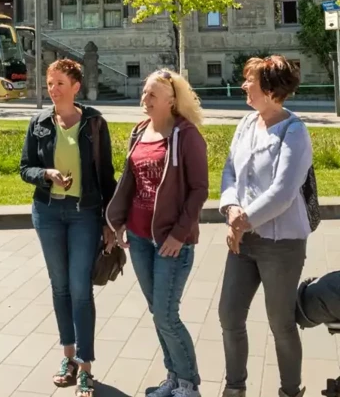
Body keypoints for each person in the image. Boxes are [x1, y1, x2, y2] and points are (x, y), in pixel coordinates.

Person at [106, 69, 210, 397]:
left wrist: (180, 234)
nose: (144, 99)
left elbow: (199, 190)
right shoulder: (139, 131)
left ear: (171, 99)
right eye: (144, 92)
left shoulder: (186, 134)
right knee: (157, 312)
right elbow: (129, 182)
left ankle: (188, 384)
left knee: (166, 314)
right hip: (138, 238)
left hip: (171, 242)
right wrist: (117, 223)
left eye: (152, 94)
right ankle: (173, 377)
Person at [19, 58, 118, 395]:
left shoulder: (94, 123)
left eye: (60, 82)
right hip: (47, 213)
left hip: (83, 215)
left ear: (76, 86)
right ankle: (68, 357)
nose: (53, 89)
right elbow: (25, 168)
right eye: (50, 82)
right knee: (59, 286)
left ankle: (87, 365)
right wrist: (45, 175)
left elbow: (106, 174)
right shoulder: (39, 122)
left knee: (79, 288)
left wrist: (110, 221)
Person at [216, 55, 313, 397]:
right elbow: (230, 171)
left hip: (281, 244)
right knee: (229, 314)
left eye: (250, 81)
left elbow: (283, 192)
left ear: (271, 89)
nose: (244, 85)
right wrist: (230, 207)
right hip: (243, 240)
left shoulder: (294, 131)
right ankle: (235, 386)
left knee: (281, 323)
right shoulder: (246, 123)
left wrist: (244, 219)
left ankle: (289, 390)